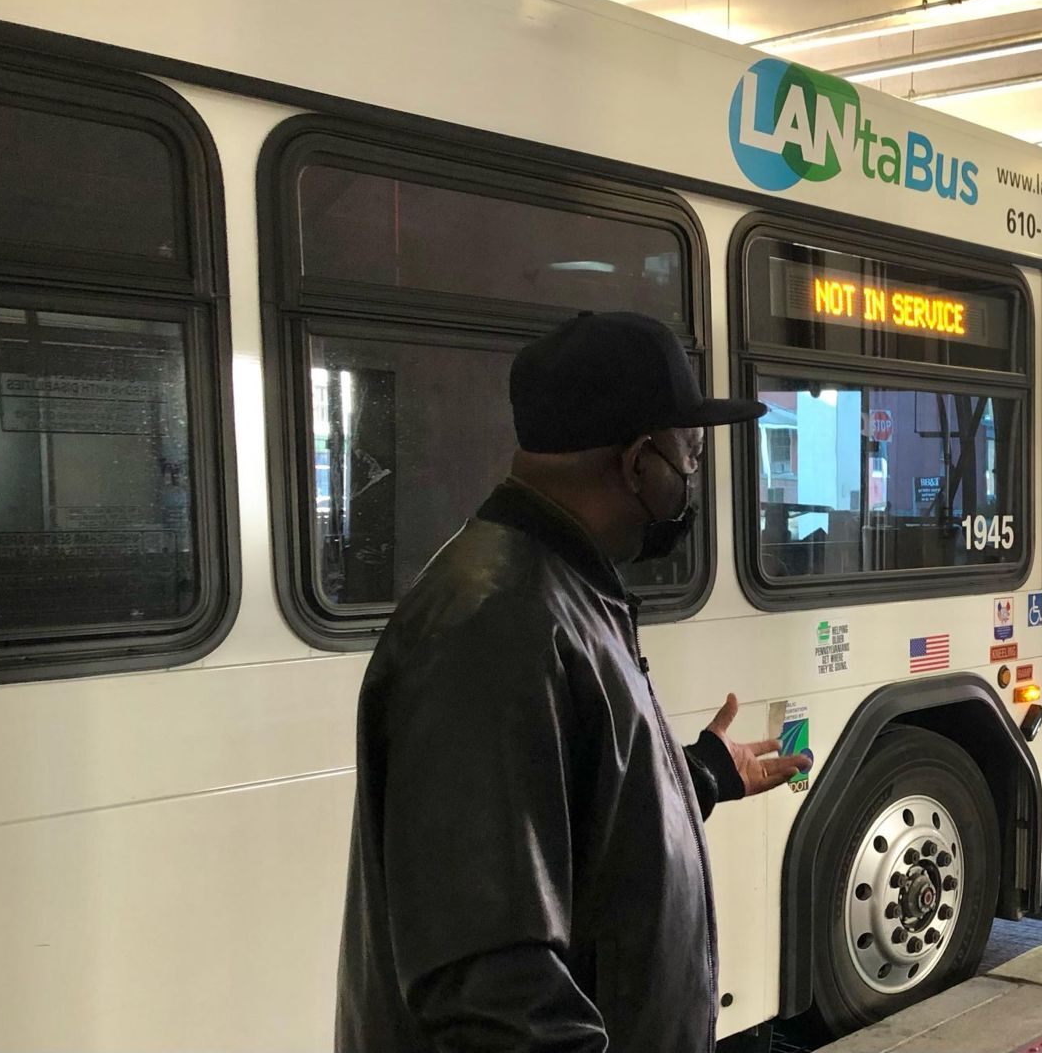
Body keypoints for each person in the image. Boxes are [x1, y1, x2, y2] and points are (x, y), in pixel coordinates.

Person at [336, 311, 811, 1053]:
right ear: (636, 463)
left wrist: (699, 778)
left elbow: (563, 815)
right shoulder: (490, 629)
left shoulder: (556, 587)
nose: (691, 480)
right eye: (688, 456)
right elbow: (495, 989)